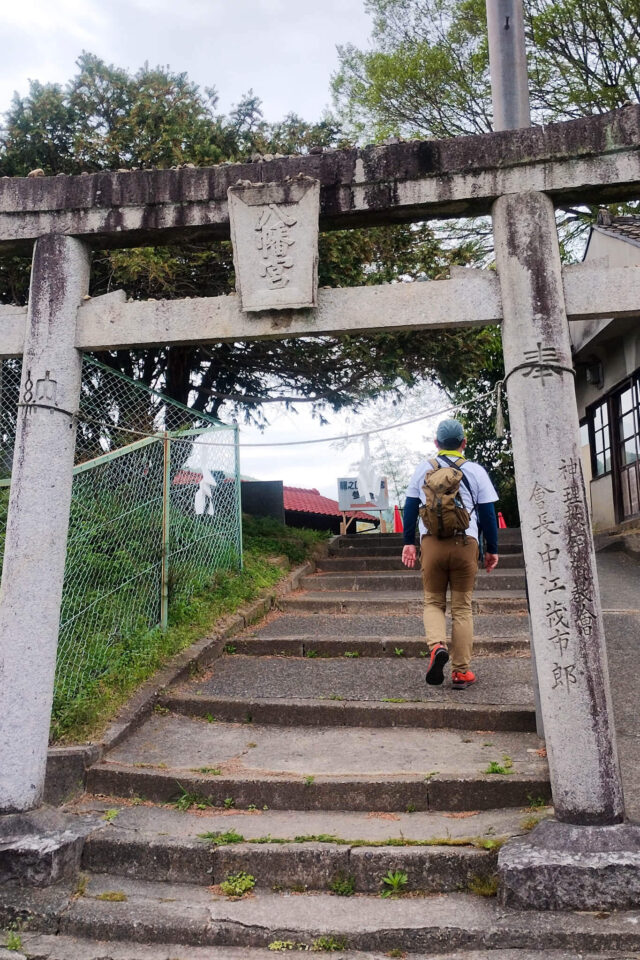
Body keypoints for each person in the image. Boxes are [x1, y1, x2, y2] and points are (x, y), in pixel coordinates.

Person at [401, 418, 499, 689]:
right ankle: (460, 672)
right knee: (462, 608)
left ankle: (436, 647)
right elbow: (489, 515)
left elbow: (410, 507)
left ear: (436, 444)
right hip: (465, 543)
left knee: (433, 602)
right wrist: (492, 549)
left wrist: (409, 542)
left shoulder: (424, 468)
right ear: (463, 443)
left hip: (431, 543)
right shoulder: (475, 470)